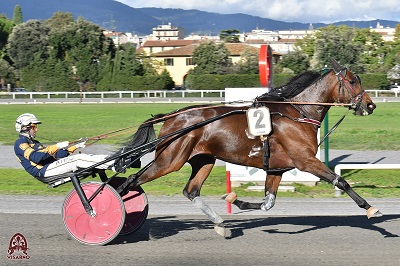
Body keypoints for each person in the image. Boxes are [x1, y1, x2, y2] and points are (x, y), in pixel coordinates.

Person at [14, 113, 122, 181]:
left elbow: (57, 155)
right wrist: (56, 146)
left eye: (36, 126)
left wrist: (75, 146)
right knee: (78, 159)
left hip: (50, 166)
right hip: (43, 172)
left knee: (82, 157)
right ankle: (113, 163)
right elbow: (36, 157)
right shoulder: (20, 143)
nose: (36, 129)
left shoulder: (35, 142)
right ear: (24, 128)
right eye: (33, 126)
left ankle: (116, 158)